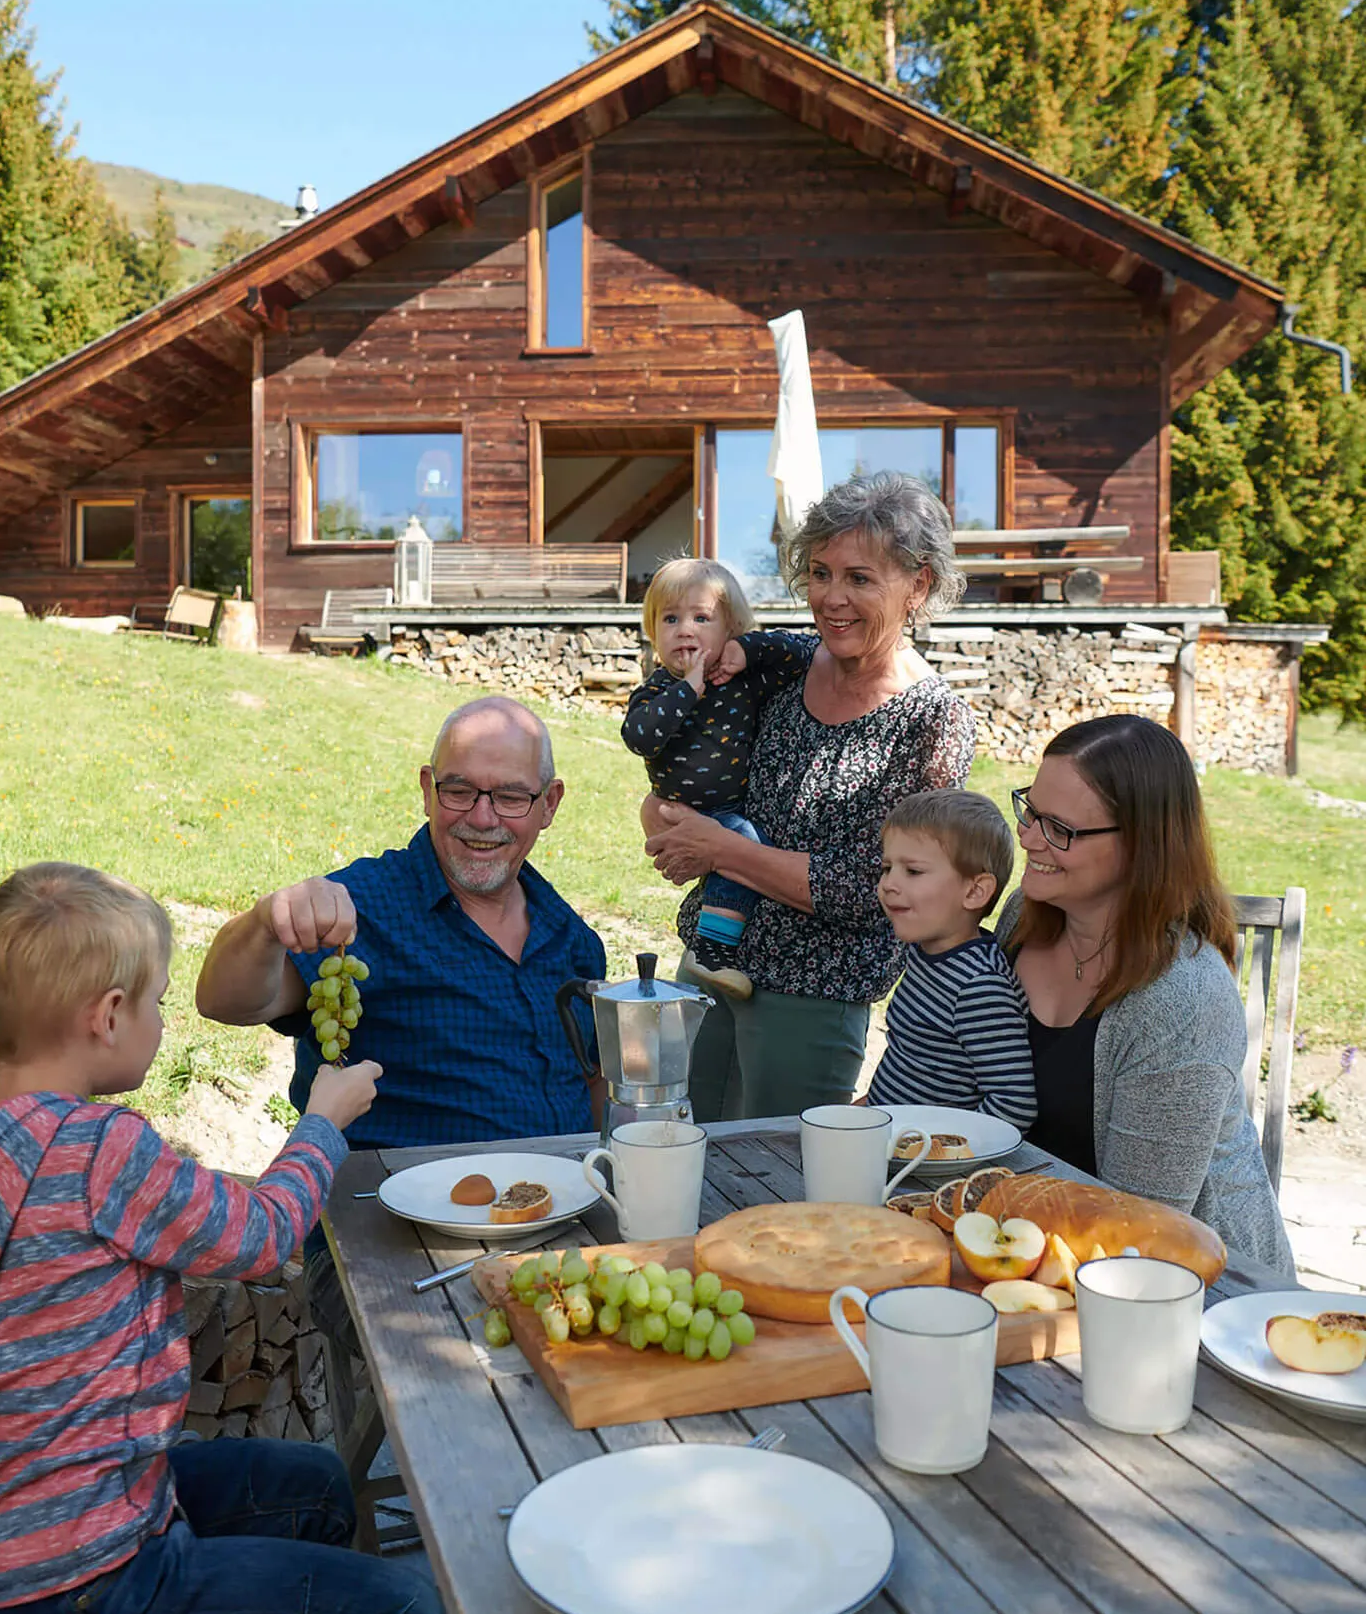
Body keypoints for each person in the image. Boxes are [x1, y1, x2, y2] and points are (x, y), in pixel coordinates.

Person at [0, 864, 446, 1614]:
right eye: (152, 1003)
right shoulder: (104, 1152)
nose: (158, 1022)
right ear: (107, 1016)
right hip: (85, 1595)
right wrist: (321, 1122)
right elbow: (261, 1232)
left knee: (310, 1491)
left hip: (17, 1549)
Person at [644, 471, 977, 1121]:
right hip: (710, 962)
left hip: (814, 997)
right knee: (675, 1155)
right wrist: (664, 817)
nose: (831, 598)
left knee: (783, 1195)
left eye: (860, 578)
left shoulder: (933, 722)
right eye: (820, 573)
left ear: (920, 585)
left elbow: (876, 889)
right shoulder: (782, 666)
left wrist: (719, 850)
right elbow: (701, 770)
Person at [196, 695, 606, 1148]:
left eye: (510, 797)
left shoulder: (572, 938)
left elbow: (592, 1080)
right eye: (459, 791)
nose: (482, 817)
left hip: (560, 1202)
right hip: (397, 1212)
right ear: (428, 790)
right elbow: (227, 1003)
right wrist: (263, 924)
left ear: (549, 804)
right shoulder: (361, 909)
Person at [996, 714, 1294, 1273]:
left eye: (1059, 828)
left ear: (1141, 845)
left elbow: (1140, 1225)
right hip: (1030, 1245)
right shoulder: (1025, 918)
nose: (1028, 837)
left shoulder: (1182, 1001)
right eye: (1029, 810)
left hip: (1197, 1287)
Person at [621, 557, 814, 999]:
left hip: (727, 808)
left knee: (743, 844)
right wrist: (687, 688)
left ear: (730, 629)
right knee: (744, 843)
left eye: (701, 618)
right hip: (681, 812)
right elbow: (640, 737)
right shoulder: (657, 688)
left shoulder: (741, 682)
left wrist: (748, 651)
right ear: (653, 631)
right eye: (670, 619)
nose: (685, 630)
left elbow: (805, 652)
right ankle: (711, 954)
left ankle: (711, 948)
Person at [865, 789, 1036, 1125]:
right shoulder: (923, 951)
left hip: (926, 1169)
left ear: (974, 892)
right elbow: (913, 1060)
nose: (888, 884)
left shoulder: (978, 987)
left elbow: (1014, 1105)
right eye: (887, 868)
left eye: (912, 871)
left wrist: (942, 1155)